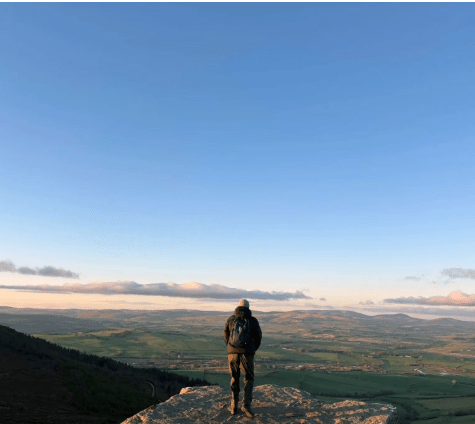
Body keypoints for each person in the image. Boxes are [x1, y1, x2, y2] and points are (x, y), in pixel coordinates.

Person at [223, 299, 262, 418]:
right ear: (248, 307)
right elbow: (258, 337)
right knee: (249, 378)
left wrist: (231, 347)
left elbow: (225, 335)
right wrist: (252, 349)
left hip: (232, 353)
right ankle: (246, 406)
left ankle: (234, 406)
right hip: (247, 353)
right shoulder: (253, 320)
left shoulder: (231, 319)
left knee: (234, 377)